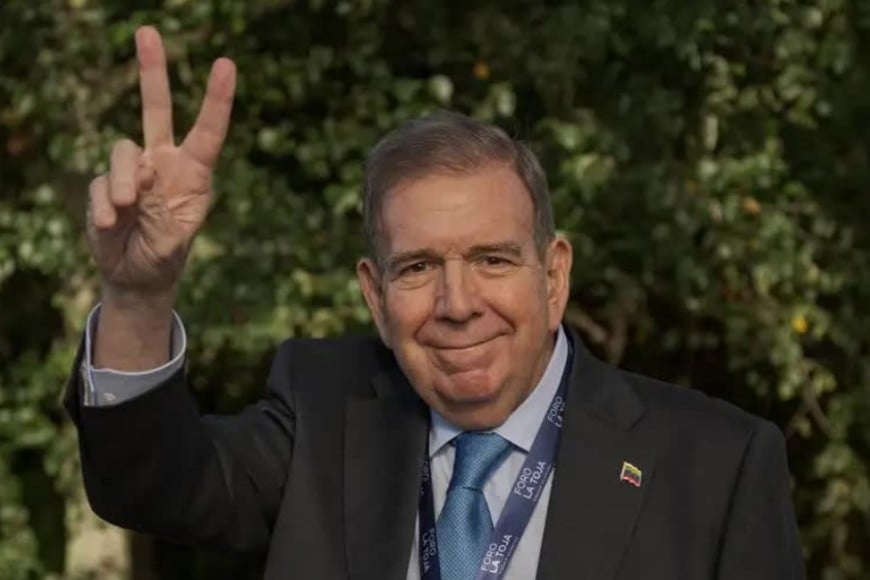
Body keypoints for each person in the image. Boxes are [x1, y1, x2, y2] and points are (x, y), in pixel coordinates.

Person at [65, 26, 805, 579]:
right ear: (374, 296)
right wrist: (138, 294)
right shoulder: (321, 419)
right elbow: (151, 484)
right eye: (417, 267)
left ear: (554, 277)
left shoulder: (717, 465)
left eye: (492, 258)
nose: (457, 303)